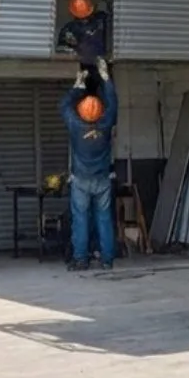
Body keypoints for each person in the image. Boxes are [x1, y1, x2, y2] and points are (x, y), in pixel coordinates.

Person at [61, 58, 119, 271]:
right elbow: (113, 103)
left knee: (81, 220)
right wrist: (106, 78)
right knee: (104, 219)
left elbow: (64, 106)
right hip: (102, 179)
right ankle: (106, 260)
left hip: (81, 180)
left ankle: (81, 259)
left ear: (81, 112)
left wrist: (78, 85)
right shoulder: (105, 124)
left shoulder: (75, 125)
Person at [56, 0, 110, 66]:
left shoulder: (100, 21)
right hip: (85, 64)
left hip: (99, 62)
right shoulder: (70, 28)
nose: (84, 20)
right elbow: (60, 48)